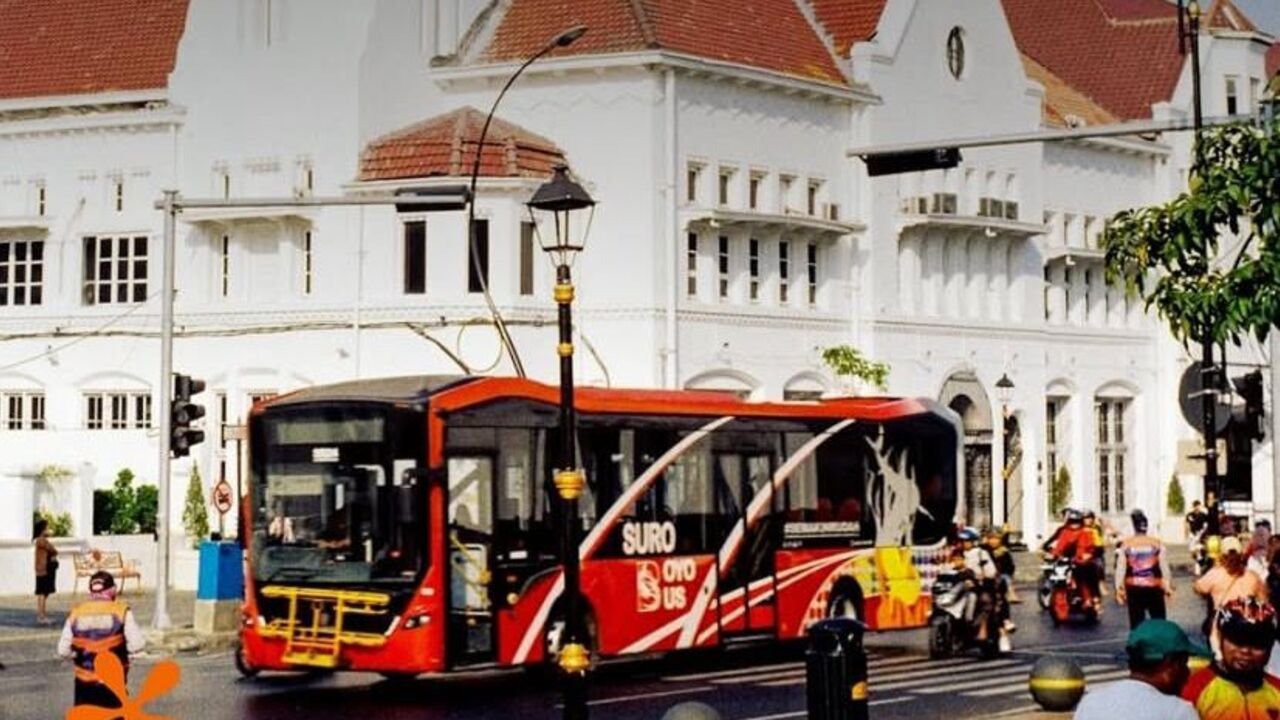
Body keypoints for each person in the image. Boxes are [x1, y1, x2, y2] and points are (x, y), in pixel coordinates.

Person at [1073, 619, 1204, 720]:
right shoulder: (1178, 712)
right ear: (1170, 665)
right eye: (1184, 664)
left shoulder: (1091, 703)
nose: (1187, 674)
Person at [57, 571, 145, 709]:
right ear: (113, 590)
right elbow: (137, 645)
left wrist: (77, 655)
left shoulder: (76, 613)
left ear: (91, 591)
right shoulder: (121, 611)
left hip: (84, 685)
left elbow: (63, 650)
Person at [1182, 598, 1280, 719]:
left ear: (1270, 648)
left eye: (1257, 644)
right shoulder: (1192, 689)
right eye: (1237, 641)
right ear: (1220, 640)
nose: (1245, 651)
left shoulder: (1277, 691)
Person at [1193, 535, 1267, 655]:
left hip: (1224, 628)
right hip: (1246, 629)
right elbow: (1263, 603)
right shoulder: (1252, 576)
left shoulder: (1214, 575)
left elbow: (1198, 588)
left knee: (1222, 661)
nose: (1231, 559)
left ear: (1222, 556)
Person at [1116, 509, 1173, 630]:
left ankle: (1137, 644)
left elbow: (1121, 567)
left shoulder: (1126, 544)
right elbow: (1164, 567)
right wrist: (1167, 585)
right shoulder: (1157, 543)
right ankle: (1159, 644)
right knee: (1158, 619)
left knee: (1136, 620)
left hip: (1134, 585)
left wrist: (1119, 588)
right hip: (1154, 585)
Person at [957, 527, 1011, 652]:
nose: (965, 544)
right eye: (963, 541)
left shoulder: (982, 553)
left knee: (987, 603)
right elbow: (949, 565)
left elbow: (991, 570)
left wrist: (983, 575)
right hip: (960, 586)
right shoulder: (958, 553)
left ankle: (989, 631)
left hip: (981, 586)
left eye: (968, 541)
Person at [1050, 508, 1100, 611]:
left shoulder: (1085, 532)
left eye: (1077, 522)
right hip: (1067, 559)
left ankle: (1089, 598)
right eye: (1072, 522)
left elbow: (1087, 547)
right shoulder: (1065, 532)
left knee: (1083, 574)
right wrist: (1054, 554)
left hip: (1082, 560)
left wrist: (1086, 555)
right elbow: (1060, 545)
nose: (1074, 525)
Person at [33, 518, 58, 626]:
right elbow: (52, 550)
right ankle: (41, 616)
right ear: (42, 529)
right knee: (43, 592)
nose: (48, 530)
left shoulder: (42, 540)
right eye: (47, 528)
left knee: (44, 593)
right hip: (44, 570)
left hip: (44, 569)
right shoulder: (41, 540)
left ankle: (41, 615)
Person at [985, 528, 1020, 604]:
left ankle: (1011, 592)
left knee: (1005, 578)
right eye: (991, 538)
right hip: (986, 573)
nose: (993, 541)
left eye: (996, 539)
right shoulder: (984, 550)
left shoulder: (1004, 551)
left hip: (1000, 574)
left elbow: (1010, 566)